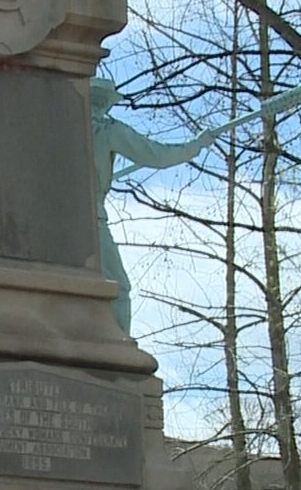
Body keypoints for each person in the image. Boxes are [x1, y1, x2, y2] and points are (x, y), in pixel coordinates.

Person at [91, 78, 212, 335]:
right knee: (117, 286)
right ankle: (118, 342)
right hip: (90, 218)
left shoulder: (58, 126)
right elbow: (157, 155)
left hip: (55, 218)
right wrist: (196, 145)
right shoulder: (107, 129)